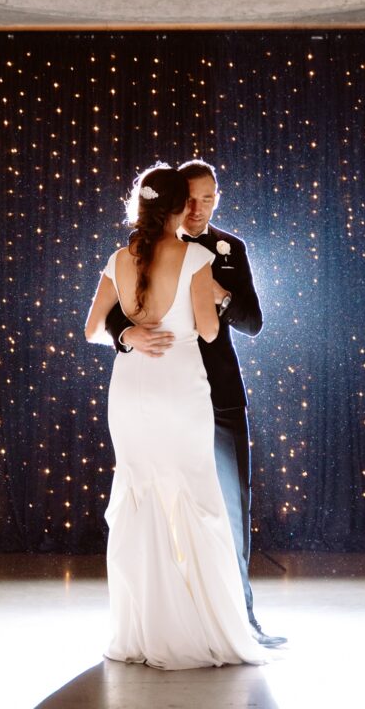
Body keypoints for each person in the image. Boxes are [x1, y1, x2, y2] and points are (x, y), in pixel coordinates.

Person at [86, 161, 263, 669]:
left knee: (217, 505)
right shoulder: (162, 257)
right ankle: (184, 621)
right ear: (175, 203)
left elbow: (251, 321)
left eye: (210, 198)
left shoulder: (228, 250)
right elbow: (121, 319)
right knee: (175, 498)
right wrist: (129, 334)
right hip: (173, 384)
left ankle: (231, 614)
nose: (200, 207)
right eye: (192, 198)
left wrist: (217, 294)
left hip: (195, 391)